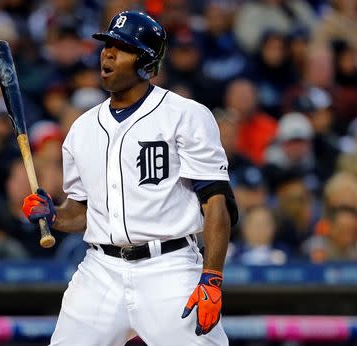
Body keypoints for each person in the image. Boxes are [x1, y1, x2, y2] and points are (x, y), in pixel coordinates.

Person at [22, 10, 238, 346]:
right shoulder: (82, 129)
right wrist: (52, 214)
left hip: (169, 267)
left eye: (121, 47)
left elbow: (216, 202)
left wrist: (211, 277)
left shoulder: (186, 115)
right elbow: (81, 211)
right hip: (100, 271)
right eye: (107, 45)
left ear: (146, 64)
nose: (107, 54)